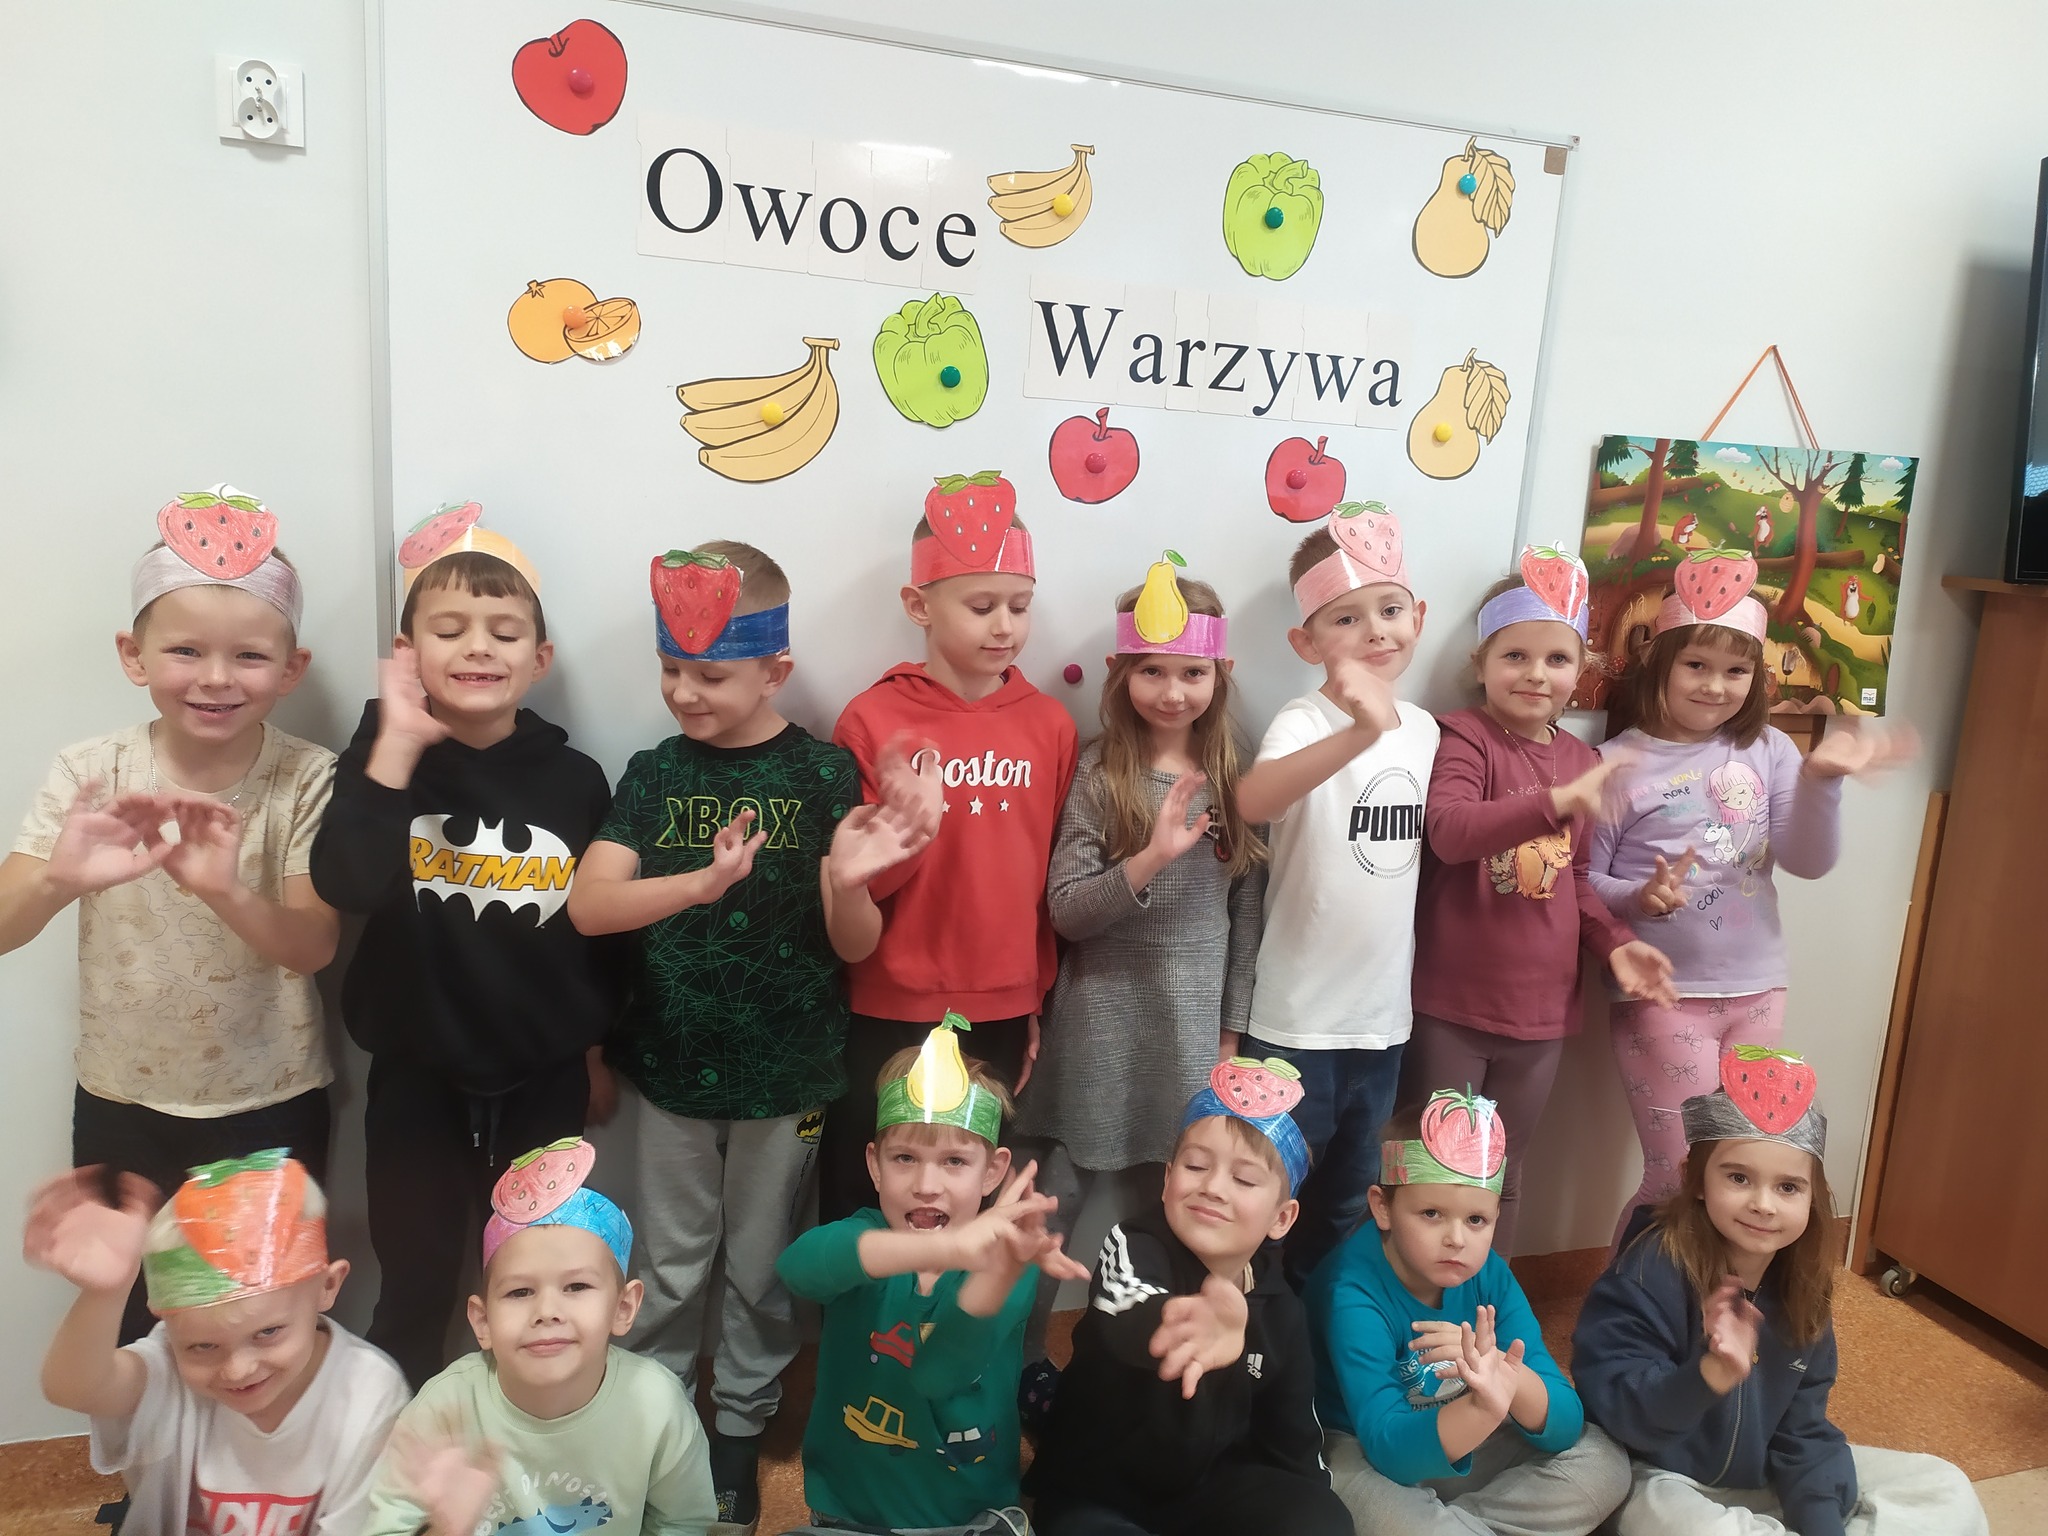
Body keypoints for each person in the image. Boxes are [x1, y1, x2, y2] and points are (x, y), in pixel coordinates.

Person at [568, 540, 939, 1529]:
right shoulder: (653, 773)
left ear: (775, 671)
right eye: (671, 669)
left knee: (763, 1262)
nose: (683, 692)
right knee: (670, 1260)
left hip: (790, 1075)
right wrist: (697, 884)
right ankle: (656, 1420)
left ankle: (738, 1425)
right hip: (669, 1073)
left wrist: (848, 880)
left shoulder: (820, 775)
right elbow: (589, 907)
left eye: (710, 674)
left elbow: (855, 943)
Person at [0, 486, 339, 1341]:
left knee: (264, 1325)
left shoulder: (307, 776)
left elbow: (315, 945)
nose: (216, 678)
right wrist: (59, 880)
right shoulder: (92, 771)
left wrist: (225, 890)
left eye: (249, 656)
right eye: (186, 650)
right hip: (122, 1099)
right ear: (134, 655)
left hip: (271, 1101)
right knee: (133, 1320)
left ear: (290, 669)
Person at [309, 509, 622, 1388]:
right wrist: (397, 747)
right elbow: (347, 883)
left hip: (544, 1075)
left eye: (503, 632)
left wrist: (597, 1054)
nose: (478, 647)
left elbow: (602, 937)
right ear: (407, 652)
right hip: (416, 1076)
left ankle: (526, 1424)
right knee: (413, 1279)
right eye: (448, 630)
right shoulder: (378, 759)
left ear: (539, 658)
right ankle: (399, 1432)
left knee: (534, 1275)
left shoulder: (575, 779)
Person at [1587, 554, 1914, 1245]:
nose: (1715, 685)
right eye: (1696, 665)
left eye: (1736, 671)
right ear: (1660, 662)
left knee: (1735, 1170)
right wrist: (1641, 897)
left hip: (1759, 991)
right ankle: (1629, 1305)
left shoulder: (1769, 750)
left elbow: (1809, 862)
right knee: (1678, 1175)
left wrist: (1823, 780)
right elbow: (1583, 883)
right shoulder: (1616, 763)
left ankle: (1715, 1301)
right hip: (1662, 997)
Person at [1010, 558, 1266, 1396]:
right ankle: (1018, 1367)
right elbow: (1066, 910)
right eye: (1152, 671)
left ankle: (1148, 1373)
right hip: (1096, 1028)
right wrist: (1153, 855)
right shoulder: (1099, 771)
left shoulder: (1238, 777)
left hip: (1191, 1039)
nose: (1172, 691)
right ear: (1120, 673)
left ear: (1220, 673)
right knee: (1050, 1205)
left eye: (1191, 672)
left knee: (1176, 1215)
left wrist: (1230, 1033)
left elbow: (1248, 914)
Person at [1571, 1046, 1985, 1534]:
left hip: (1760, 1476)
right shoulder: (1646, 1273)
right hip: (1659, 1479)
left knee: (1946, 1488)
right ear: (1696, 1180)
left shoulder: (1802, 1283)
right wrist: (1707, 1375)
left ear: (1812, 1197)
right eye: (1739, 1178)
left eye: (1788, 1187)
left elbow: (1802, 1432)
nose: (1764, 1205)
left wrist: (1821, 1521)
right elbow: (1621, 1415)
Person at [820, 474, 1079, 1223]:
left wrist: (1034, 998)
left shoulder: (1051, 725)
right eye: (981, 605)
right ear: (919, 605)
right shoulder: (872, 719)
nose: (1005, 626)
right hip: (889, 1004)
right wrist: (907, 833)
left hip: (1001, 1008)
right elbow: (852, 888)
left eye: (1019, 606)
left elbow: (1047, 879)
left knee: (970, 1200)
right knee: (872, 1194)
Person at [1404, 549, 1676, 1256]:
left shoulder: (1583, 762)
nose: (1535, 673)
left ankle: (1484, 1307)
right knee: (1438, 1174)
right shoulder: (1462, 737)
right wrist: (1554, 802)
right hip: (1451, 1008)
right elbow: (1451, 832)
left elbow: (1576, 882)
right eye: (1515, 656)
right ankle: (1419, 1308)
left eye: (1556, 659)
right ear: (1481, 663)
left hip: (1542, 1017)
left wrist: (1619, 945)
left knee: (1503, 1175)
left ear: (1581, 670)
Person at [775, 1015, 1088, 1536]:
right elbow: (797, 1268)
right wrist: (943, 1246)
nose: (926, 1184)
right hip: (848, 1509)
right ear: (875, 1166)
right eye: (905, 1158)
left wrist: (992, 1272)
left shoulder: (1008, 1264)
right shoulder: (864, 1238)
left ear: (993, 1171)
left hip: (965, 1515)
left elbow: (939, 1375)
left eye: (954, 1162)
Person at [1234, 505, 1440, 1287]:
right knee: (1269, 1199)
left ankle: (1316, 1340)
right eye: (1346, 618)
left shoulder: (1425, 730)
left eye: (1390, 610)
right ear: (1307, 642)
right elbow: (1253, 801)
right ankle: (1255, 1335)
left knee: (1346, 1206)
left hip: (1382, 1025)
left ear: (1419, 617)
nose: (1375, 631)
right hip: (1295, 1025)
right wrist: (1358, 731)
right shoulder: (1304, 719)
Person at [1026, 1057, 1349, 1536]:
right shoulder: (1131, 1243)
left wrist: (1308, 1503)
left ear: (1282, 1218)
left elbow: (1293, 1440)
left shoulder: (1282, 1311)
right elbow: (1128, 1307)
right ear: (1166, 1181)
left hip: (1208, 1489)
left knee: (1322, 1518)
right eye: (1196, 1166)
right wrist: (1186, 1320)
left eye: (1243, 1179)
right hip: (1097, 1489)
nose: (1213, 1187)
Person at [27, 1150, 407, 1535]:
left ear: (328, 1285)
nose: (238, 1370)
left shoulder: (367, 1393)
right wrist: (104, 1295)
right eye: (203, 1347)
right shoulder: (168, 1368)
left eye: (268, 1333)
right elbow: (75, 1389)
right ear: (164, 1319)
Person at [1306, 1089, 1628, 1535]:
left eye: (1476, 1220)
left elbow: (1565, 1422)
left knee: (1605, 1463)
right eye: (1431, 1213)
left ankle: (1460, 1523)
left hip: (1466, 1430)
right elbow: (1388, 1450)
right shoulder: (1350, 1289)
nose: (1457, 1239)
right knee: (1353, 1498)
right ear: (1383, 1208)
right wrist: (1485, 1408)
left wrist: (1503, 1376)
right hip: (1365, 1448)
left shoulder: (1489, 1274)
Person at [360, 1137, 719, 1536]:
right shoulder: (444, 1409)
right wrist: (445, 1529)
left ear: (623, 1307)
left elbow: (684, 1523)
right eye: (520, 1292)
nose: (547, 1311)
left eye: (577, 1286)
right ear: (483, 1321)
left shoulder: (658, 1405)